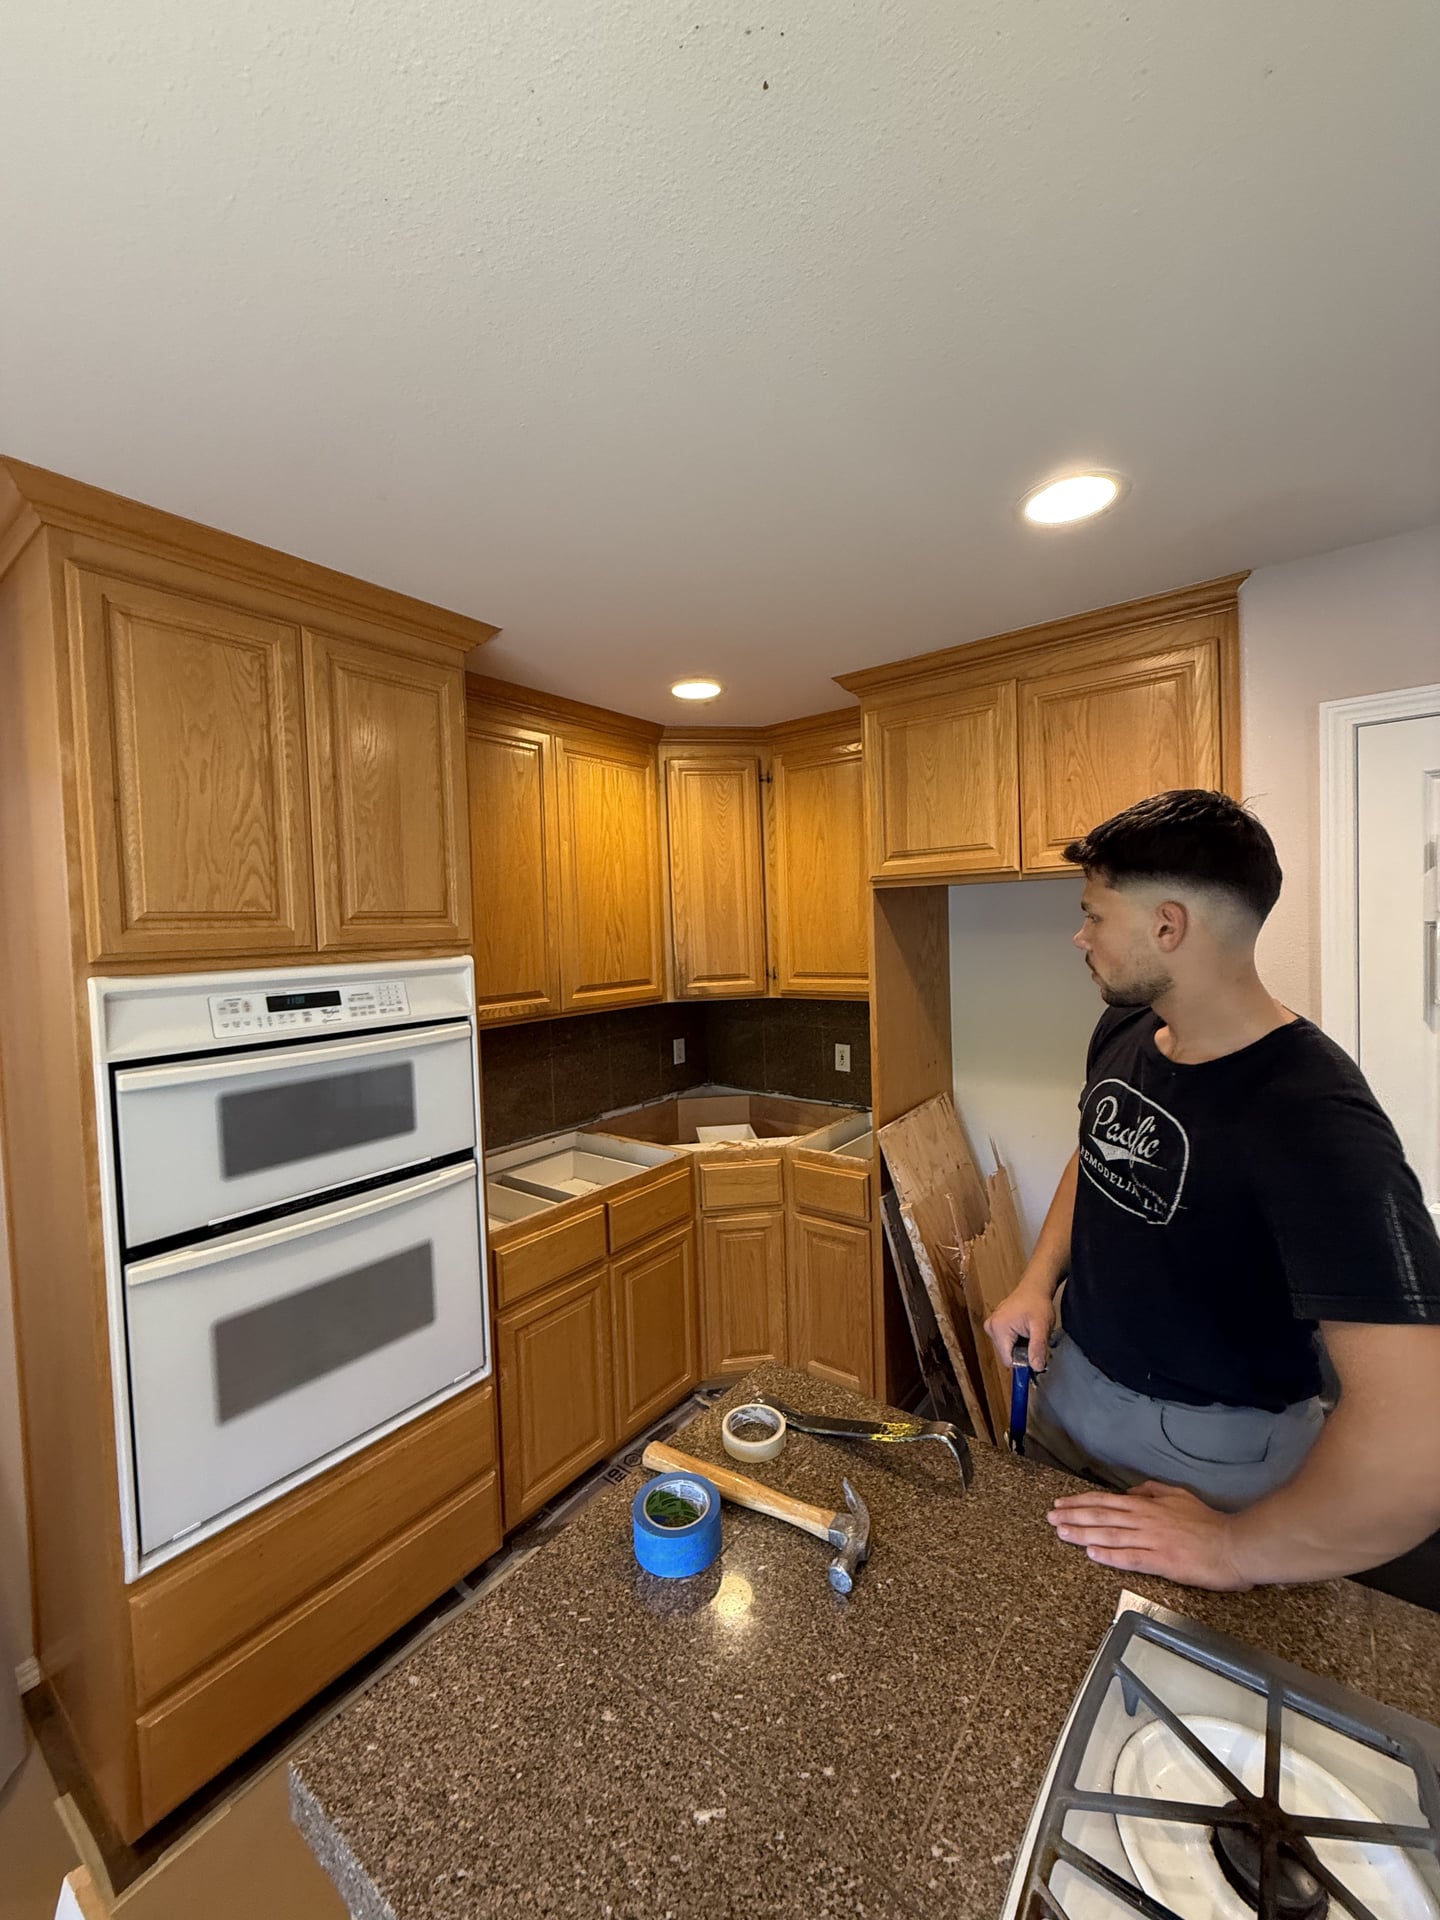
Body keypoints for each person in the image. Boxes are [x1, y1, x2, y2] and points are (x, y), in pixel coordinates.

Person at [984, 788, 1440, 1591]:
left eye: (1094, 915)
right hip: (1071, 1394)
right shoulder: (1130, 1024)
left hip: (1206, 1464)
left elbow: (1418, 1446)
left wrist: (1231, 1549)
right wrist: (1036, 1280)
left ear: (1168, 926)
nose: (1080, 936)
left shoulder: (1313, 1116)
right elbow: (1100, 1150)